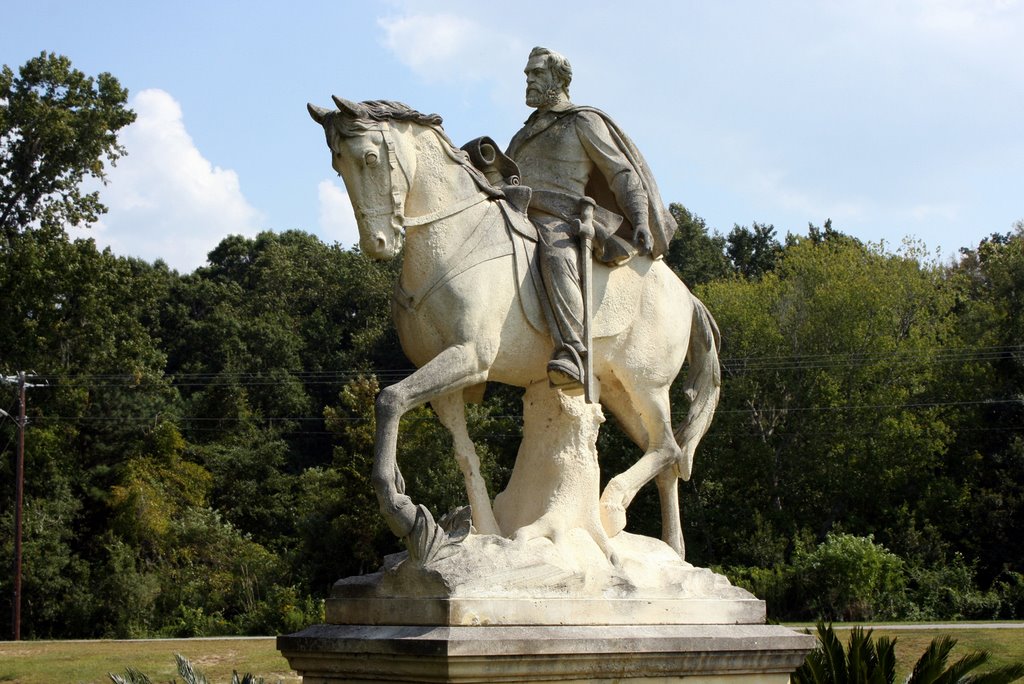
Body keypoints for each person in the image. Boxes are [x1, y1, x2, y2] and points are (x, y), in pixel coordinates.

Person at [506, 46, 677, 390]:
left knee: (556, 256)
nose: (528, 79)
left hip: (559, 217)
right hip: (515, 211)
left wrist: (640, 217)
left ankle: (572, 352)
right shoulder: (523, 133)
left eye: (536, 73)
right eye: (527, 74)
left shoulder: (582, 120)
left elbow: (621, 173)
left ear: (559, 78)